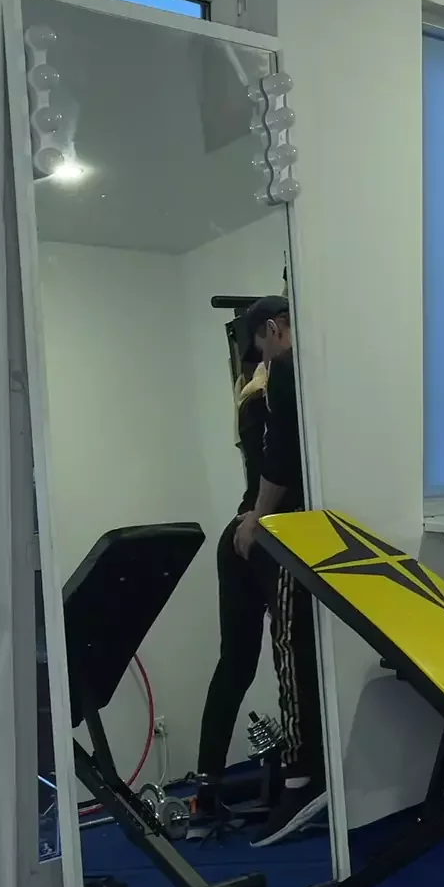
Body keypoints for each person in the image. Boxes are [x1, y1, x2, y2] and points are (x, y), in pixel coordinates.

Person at [193, 295, 328, 848]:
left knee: (237, 663)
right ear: (279, 328)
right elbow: (282, 459)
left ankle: (204, 794)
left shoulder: (254, 390)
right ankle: (300, 777)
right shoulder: (285, 373)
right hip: (268, 530)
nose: (264, 357)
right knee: (292, 648)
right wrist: (260, 520)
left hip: (245, 529)